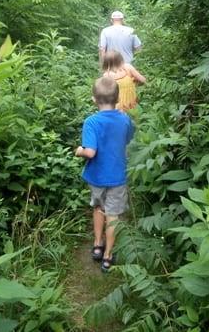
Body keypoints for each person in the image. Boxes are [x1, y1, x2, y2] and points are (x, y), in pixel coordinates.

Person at [75, 77, 134, 273]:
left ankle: (97, 244)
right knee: (114, 215)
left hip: (97, 176)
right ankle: (108, 256)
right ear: (117, 98)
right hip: (118, 175)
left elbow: (90, 152)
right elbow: (128, 141)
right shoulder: (125, 119)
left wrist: (79, 150)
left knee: (98, 207)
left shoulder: (91, 122)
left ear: (94, 99)